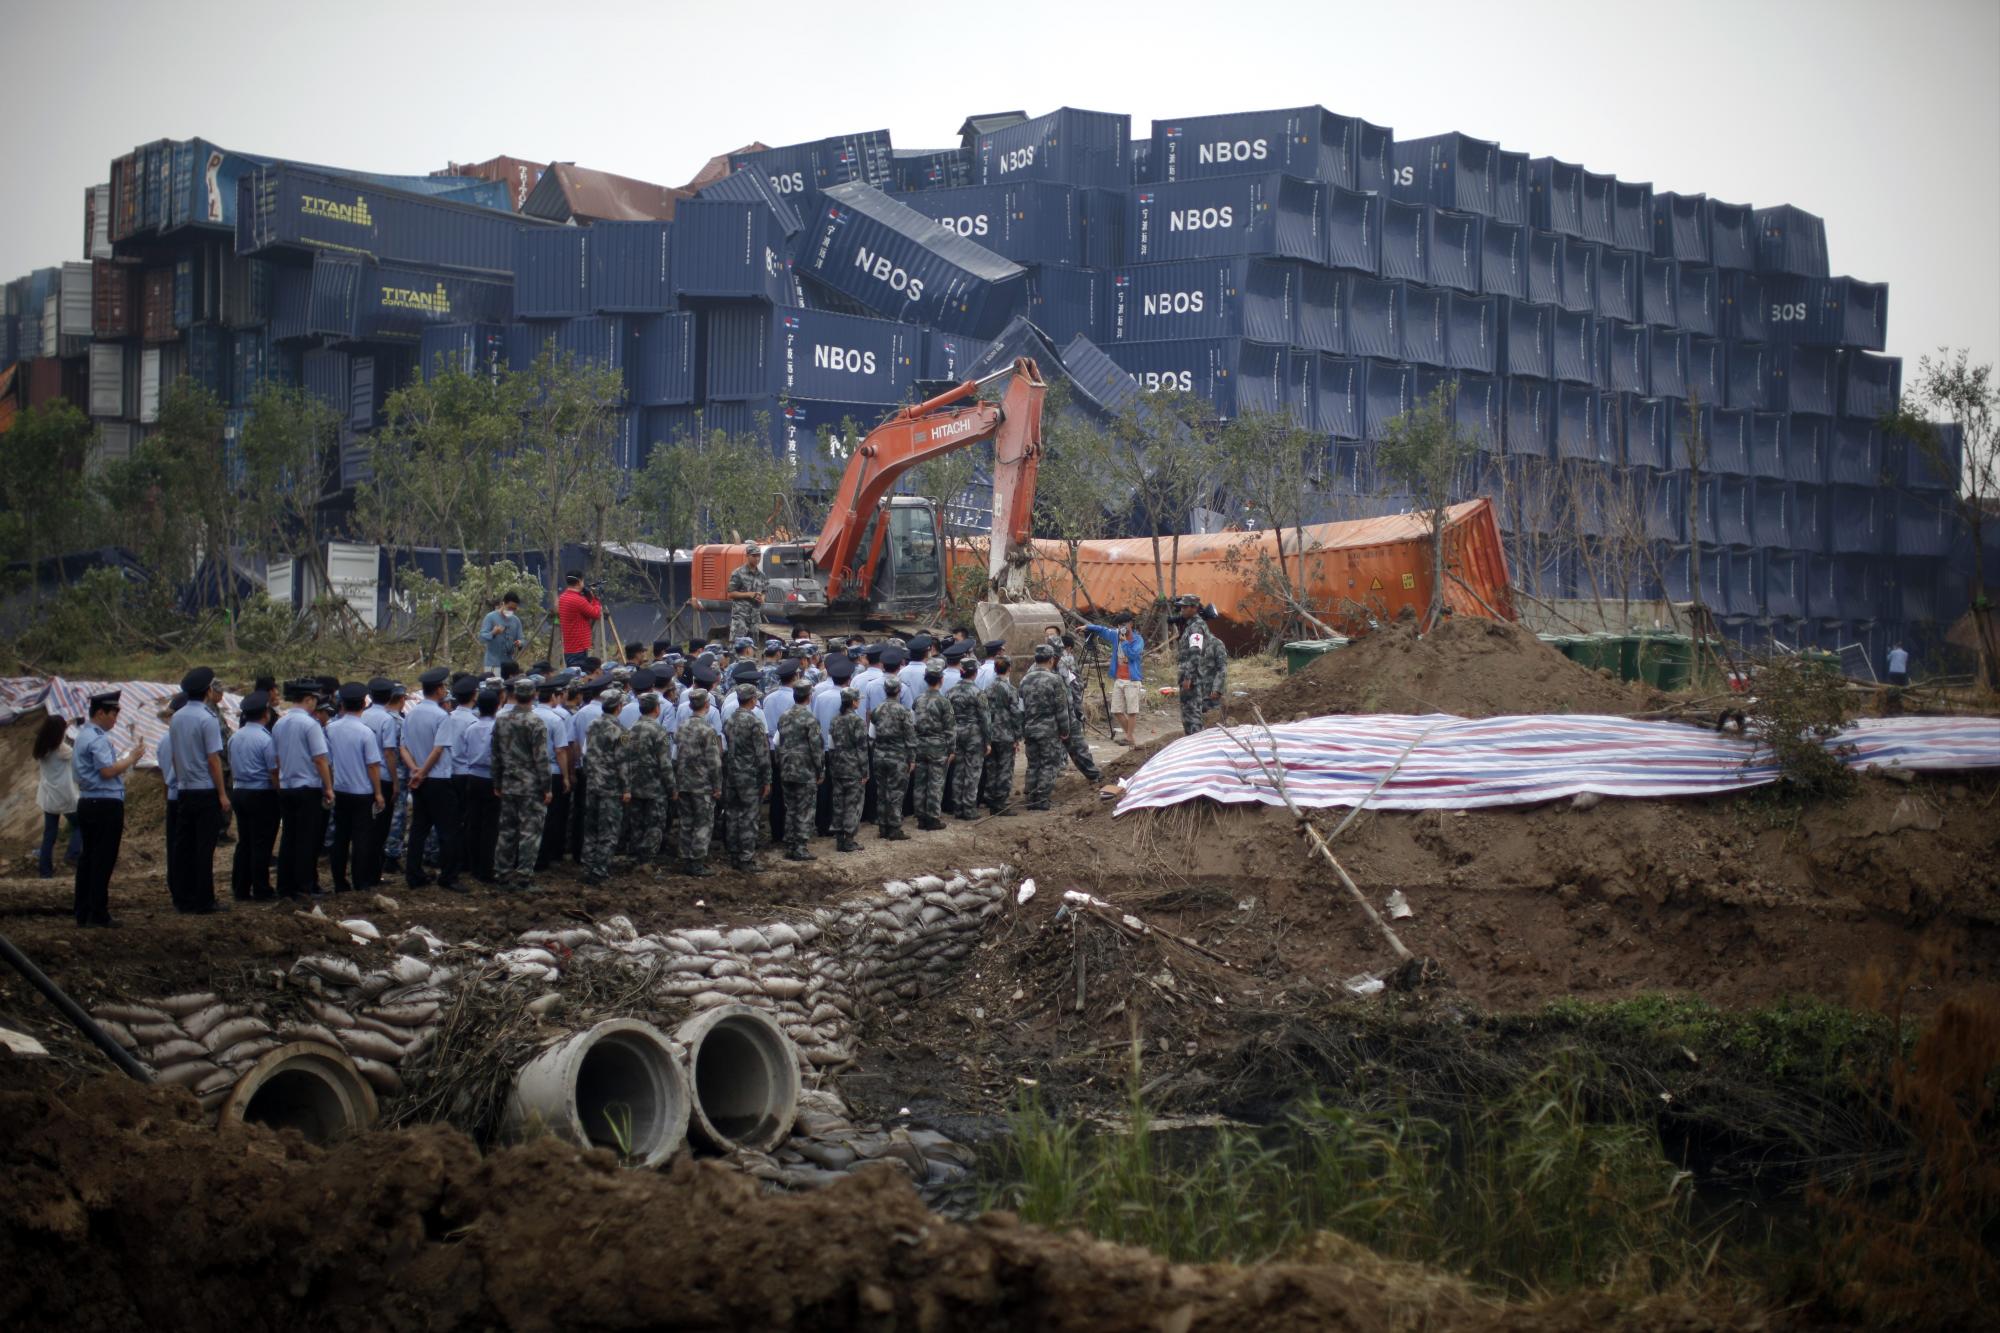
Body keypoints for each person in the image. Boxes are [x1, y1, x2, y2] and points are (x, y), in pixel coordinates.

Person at [72, 691, 143, 928]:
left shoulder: (84, 735)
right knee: (102, 859)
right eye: (113, 714)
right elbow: (107, 771)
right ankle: (98, 912)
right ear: (100, 713)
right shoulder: (98, 738)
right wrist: (131, 758)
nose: (115, 719)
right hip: (104, 803)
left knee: (89, 858)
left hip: (88, 801)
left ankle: (83, 911)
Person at [167, 667, 231, 914]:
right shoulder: (208, 718)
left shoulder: (177, 718)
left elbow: (175, 755)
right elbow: (213, 759)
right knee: (204, 847)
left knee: (184, 846)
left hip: (185, 789)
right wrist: (222, 794)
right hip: (205, 789)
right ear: (207, 691)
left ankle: (183, 898)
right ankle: (204, 899)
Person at [400, 667, 463, 892]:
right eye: (443, 687)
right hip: (437, 778)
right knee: (448, 829)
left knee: (419, 828)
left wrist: (415, 770)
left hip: (418, 778)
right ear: (438, 690)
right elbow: (438, 749)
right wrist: (423, 772)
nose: (445, 690)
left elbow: (403, 747)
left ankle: (413, 873)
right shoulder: (441, 716)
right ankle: (449, 876)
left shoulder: (411, 714)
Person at [273, 679, 334, 900]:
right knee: (307, 839)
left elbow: (277, 758)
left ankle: (285, 886)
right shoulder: (310, 724)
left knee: (289, 838)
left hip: (287, 786)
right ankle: (304, 886)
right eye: (315, 700)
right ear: (308, 699)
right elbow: (320, 759)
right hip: (308, 788)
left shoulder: (280, 723)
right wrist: (329, 787)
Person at [491, 677, 552, 892]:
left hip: (509, 783)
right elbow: (541, 758)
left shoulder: (501, 720)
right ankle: (524, 877)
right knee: (530, 833)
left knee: (507, 831)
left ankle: (502, 873)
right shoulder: (535, 722)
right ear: (534, 695)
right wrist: (547, 787)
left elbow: (495, 754)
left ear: (514, 695)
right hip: (530, 786)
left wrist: (497, 781)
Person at [325, 683, 385, 895]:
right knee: (361, 838)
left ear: (342, 704)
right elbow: (373, 765)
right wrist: (378, 793)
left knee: (340, 837)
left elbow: (327, 761)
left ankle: (339, 881)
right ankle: (361, 881)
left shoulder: (331, 728)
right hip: (362, 791)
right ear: (363, 704)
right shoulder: (365, 732)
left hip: (340, 789)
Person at [227, 692, 280, 902]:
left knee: (245, 841)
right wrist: (279, 793)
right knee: (262, 843)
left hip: (239, 791)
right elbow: (273, 771)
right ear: (265, 714)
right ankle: (261, 888)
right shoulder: (265, 739)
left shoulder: (235, 737)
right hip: (261, 793)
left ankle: (240, 888)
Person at [675, 687, 725, 876]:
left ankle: (685, 857)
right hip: (702, 784)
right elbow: (714, 761)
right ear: (707, 705)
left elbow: (676, 753)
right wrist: (717, 786)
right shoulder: (707, 730)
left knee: (686, 822)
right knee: (703, 823)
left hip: (683, 782)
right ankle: (696, 861)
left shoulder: (682, 727)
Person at [722, 681, 772, 871]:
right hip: (750, 776)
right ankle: (746, 858)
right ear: (752, 700)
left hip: (732, 774)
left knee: (733, 814)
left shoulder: (730, 720)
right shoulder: (754, 723)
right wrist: (767, 779)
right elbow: (762, 754)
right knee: (749, 816)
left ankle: (734, 853)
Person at [582, 686, 628, 885]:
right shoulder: (621, 731)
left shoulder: (592, 725)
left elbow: (586, 753)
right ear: (619, 707)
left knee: (591, 828)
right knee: (608, 830)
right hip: (611, 786)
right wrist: (626, 788)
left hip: (593, 782)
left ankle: (587, 866)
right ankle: (600, 870)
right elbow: (623, 761)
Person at [775, 681, 823, 861]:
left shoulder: (784, 716)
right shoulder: (810, 719)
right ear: (809, 697)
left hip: (787, 767)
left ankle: (790, 844)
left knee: (791, 808)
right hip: (804, 769)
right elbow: (816, 748)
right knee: (805, 809)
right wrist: (820, 770)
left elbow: (778, 742)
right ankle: (800, 847)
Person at [457, 689, 500, 884]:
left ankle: (473, 865)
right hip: (491, 778)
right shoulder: (497, 728)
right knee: (490, 826)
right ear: (497, 706)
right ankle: (486, 869)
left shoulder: (471, 728)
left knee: (473, 822)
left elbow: (465, 751)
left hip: (473, 777)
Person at [625, 692, 674, 863]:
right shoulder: (659, 731)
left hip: (633, 784)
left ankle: (635, 856)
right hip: (655, 786)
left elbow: (623, 756)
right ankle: (646, 860)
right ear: (656, 709)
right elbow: (665, 763)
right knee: (655, 824)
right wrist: (672, 787)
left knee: (637, 823)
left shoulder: (630, 729)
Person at [1020, 645, 1070, 810]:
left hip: (1029, 728)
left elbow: (1020, 708)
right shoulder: (1055, 680)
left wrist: (1022, 728)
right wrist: (1065, 730)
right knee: (1049, 764)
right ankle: (1041, 799)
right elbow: (1061, 709)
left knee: (1033, 764)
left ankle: (1030, 797)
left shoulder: (1025, 679)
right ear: (1051, 660)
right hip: (1049, 730)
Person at [1083, 614, 1146, 747]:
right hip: (1119, 678)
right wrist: (1088, 627)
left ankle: (1129, 737)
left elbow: (1133, 655)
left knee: (1132, 710)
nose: (1122, 627)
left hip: (1132, 680)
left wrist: (1124, 642)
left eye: (1125, 624)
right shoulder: (1115, 635)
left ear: (1131, 624)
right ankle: (1130, 737)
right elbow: (1103, 630)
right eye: (1120, 625)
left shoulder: (1138, 639)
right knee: (1116, 710)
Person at [32, 715, 82, 879]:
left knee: (49, 834)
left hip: (48, 795)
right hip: (65, 795)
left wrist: (64, 726)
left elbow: (52, 735)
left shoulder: (42, 748)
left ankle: (45, 871)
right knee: (81, 825)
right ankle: (72, 854)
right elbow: (78, 753)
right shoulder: (63, 750)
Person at [1174, 595, 1228, 735]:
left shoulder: (1196, 627)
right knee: (1190, 717)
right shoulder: (1191, 626)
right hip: (1197, 682)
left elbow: (1195, 653)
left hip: (1196, 683)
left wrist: (1188, 677)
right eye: (1181, 607)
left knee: (1192, 718)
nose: (1182, 609)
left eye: (1185, 607)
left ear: (1194, 608)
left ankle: (1196, 742)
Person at [870, 677, 915, 842]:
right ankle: (894, 828)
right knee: (896, 793)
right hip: (897, 757)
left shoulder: (877, 710)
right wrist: (912, 759)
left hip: (879, 755)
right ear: (899, 691)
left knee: (882, 792)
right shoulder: (904, 711)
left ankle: (883, 827)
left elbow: (871, 735)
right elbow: (910, 738)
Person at [946, 657, 991, 821]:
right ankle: (969, 807)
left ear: (961, 671)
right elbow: (985, 719)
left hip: (956, 732)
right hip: (974, 734)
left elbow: (948, 716)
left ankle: (958, 807)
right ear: (975, 672)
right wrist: (988, 741)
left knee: (958, 770)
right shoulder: (978, 692)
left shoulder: (950, 691)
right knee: (973, 771)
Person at [913, 663, 956, 831]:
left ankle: (920, 816)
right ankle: (932, 817)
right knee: (936, 782)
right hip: (938, 746)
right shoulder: (944, 702)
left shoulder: (918, 700)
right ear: (941, 680)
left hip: (920, 745)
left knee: (920, 781)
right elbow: (950, 728)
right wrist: (952, 749)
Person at [828, 688, 869, 852]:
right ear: (853, 702)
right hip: (853, 768)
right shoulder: (858, 721)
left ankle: (839, 839)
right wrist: (865, 771)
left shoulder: (835, 720)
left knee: (838, 803)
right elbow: (862, 748)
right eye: (858, 699)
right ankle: (849, 839)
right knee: (853, 804)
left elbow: (831, 746)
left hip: (838, 767)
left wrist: (833, 765)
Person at [982, 657, 1022, 815]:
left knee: (991, 768)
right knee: (1005, 769)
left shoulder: (988, 688)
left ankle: (990, 798)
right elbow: (1015, 714)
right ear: (1009, 669)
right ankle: (1000, 803)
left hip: (990, 734)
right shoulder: (1010, 689)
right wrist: (1017, 736)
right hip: (1006, 734)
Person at [555, 573, 603, 669]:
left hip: (569, 647)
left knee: (573, 674)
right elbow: (596, 614)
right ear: (579, 582)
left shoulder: (562, 597)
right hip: (579, 648)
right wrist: (596, 600)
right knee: (580, 676)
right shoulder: (578, 600)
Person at [727, 544, 766, 642]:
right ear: (747, 556)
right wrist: (748, 594)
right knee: (738, 644)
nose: (757, 558)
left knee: (753, 646)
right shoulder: (738, 573)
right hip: (741, 616)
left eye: (759, 556)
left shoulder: (762, 575)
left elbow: (764, 591)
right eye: (754, 556)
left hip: (755, 617)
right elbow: (731, 593)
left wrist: (762, 598)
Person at [480, 592, 526, 671]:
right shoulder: (490, 617)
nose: (511, 611)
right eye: (510, 608)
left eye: (514, 609)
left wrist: (520, 643)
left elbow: (522, 639)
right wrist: (493, 633)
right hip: (492, 664)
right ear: (503, 604)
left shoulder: (516, 621)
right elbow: (481, 638)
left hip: (509, 664)